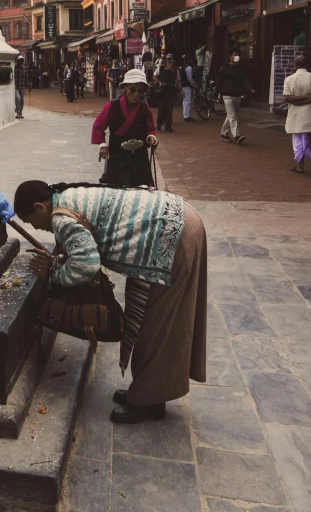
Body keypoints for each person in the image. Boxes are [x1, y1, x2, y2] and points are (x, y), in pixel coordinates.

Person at [14, 180, 207, 424]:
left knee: (158, 326)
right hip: (178, 220)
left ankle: (150, 402)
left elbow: (86, 266)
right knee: (154, 322)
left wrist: (53, 274)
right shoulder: (65, 195)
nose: (38, 228)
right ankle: (147, 392)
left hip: (173, 235)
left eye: (32, 222)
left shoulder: (60, 218)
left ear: (40, 208)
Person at [91, 69, 159, 187]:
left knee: (143, 192)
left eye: (140, 90)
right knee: (118, 193)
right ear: (124, 88)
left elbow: (150, 128)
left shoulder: (145, 107)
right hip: (118, 157)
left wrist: (151, 137)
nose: (136, 94)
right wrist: (102, 145)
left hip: (139, 157)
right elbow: (98, 127)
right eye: (132, 90)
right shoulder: (111, 106)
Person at [217, 48, 253, 144]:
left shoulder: (241, 69)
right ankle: (237, 135)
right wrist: (217, 93)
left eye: (238, 55)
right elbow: (219, 81)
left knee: (231, 116)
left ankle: (224, 133)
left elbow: (245, 80)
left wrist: (249, 88)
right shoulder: (224, 68)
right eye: (235, 55)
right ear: (230, 56)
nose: (237, 57)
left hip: (237, 95)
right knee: (232, 116)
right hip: (227, 95)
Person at [283, 55, 311, 173]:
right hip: (309, 114)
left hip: (295, 115)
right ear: (306, 64)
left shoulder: (289, 79)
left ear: (295, 65)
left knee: (298, 140)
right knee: (308, 140)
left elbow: (287, 98)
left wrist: (297, 101)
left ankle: (300, 166)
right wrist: (306, 99)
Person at [154, 54, 182, 132]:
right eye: (168, 60)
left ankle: (168, 126)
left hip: (170, 92)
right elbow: (154, 76)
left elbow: (178, 81)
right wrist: (159, 82)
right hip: (162, 92)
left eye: (171, 61)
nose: (170, 63)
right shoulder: (161, 68)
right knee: (162, 108)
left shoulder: (176, 71)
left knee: (169, 109)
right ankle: (159, 124)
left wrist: (181, 91)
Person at [180, 56, 198, 122]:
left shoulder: (183, 67)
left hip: (183, 85)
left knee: (185, 101)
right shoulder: (189, 68)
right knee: (188, 101)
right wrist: (194, 85)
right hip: (187, 86)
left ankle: (185, 114)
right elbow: (190, 78)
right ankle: (187, 116)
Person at [14, 55, 28, 119]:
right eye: (20, 61)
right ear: (17, 61)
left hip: (22, 86)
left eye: (22, 61)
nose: (21, 62)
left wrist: (29, 85)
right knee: (18, 98)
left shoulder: (24, 68)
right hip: (16, 86)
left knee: (22, 100)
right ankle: (17, 112)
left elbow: (26, 77)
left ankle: (20, 113)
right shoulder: (14, 67)